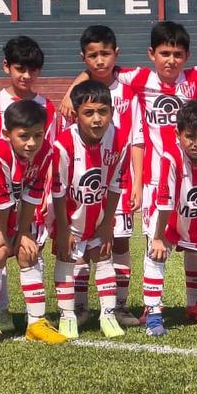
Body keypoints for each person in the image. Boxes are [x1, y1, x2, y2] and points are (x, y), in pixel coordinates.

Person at [0, 35, 62, 334]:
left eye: (32, 70)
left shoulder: (46, 106)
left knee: (30, 248)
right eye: (19, 68)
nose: (26, 75)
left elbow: (48, 150)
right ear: (7, 67)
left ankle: (35, 318)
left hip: (32, 190)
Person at [0, 99, 67, 348]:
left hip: (19, 205)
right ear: (6, 133)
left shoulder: (46, 151)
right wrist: (1, 232)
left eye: (38, 135)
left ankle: (36, 322)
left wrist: (23, 232)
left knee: (27, 250)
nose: (31, 142)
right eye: (24, 136)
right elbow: (0, 200)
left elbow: (33, 193)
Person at [74, 25, 144, 327]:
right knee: (80, 244)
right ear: (84, 58)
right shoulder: (78, 96)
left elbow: (137, 140)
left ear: (116, 54)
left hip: (120, 182)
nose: (100, 60)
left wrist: (137, 182)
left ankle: (120, 306)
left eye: (105, 53)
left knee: (120, 242)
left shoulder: (128, 92)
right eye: (93, 55)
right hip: (84, 184)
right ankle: (79, 307)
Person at [49, 80, 130, 340]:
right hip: (69, 214)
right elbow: (58, 190)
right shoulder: (64, 144)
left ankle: (107, 315)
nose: (97, 119)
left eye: (103, 112)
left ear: (112, 112)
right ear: (76, 114)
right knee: (67, 257)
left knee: (104, 255)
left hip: (99, 213)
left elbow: (116, 184)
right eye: (89, 113)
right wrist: (63, 229)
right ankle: (68, 315)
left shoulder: (119, 139)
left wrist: (107, 224)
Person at [142, 100, 197, 336]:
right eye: (190, 136)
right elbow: (165, 201)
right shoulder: (170, 156)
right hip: (167, 219)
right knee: (156, 254)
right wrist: (158, 237)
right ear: (177, 133)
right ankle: (153, 315)